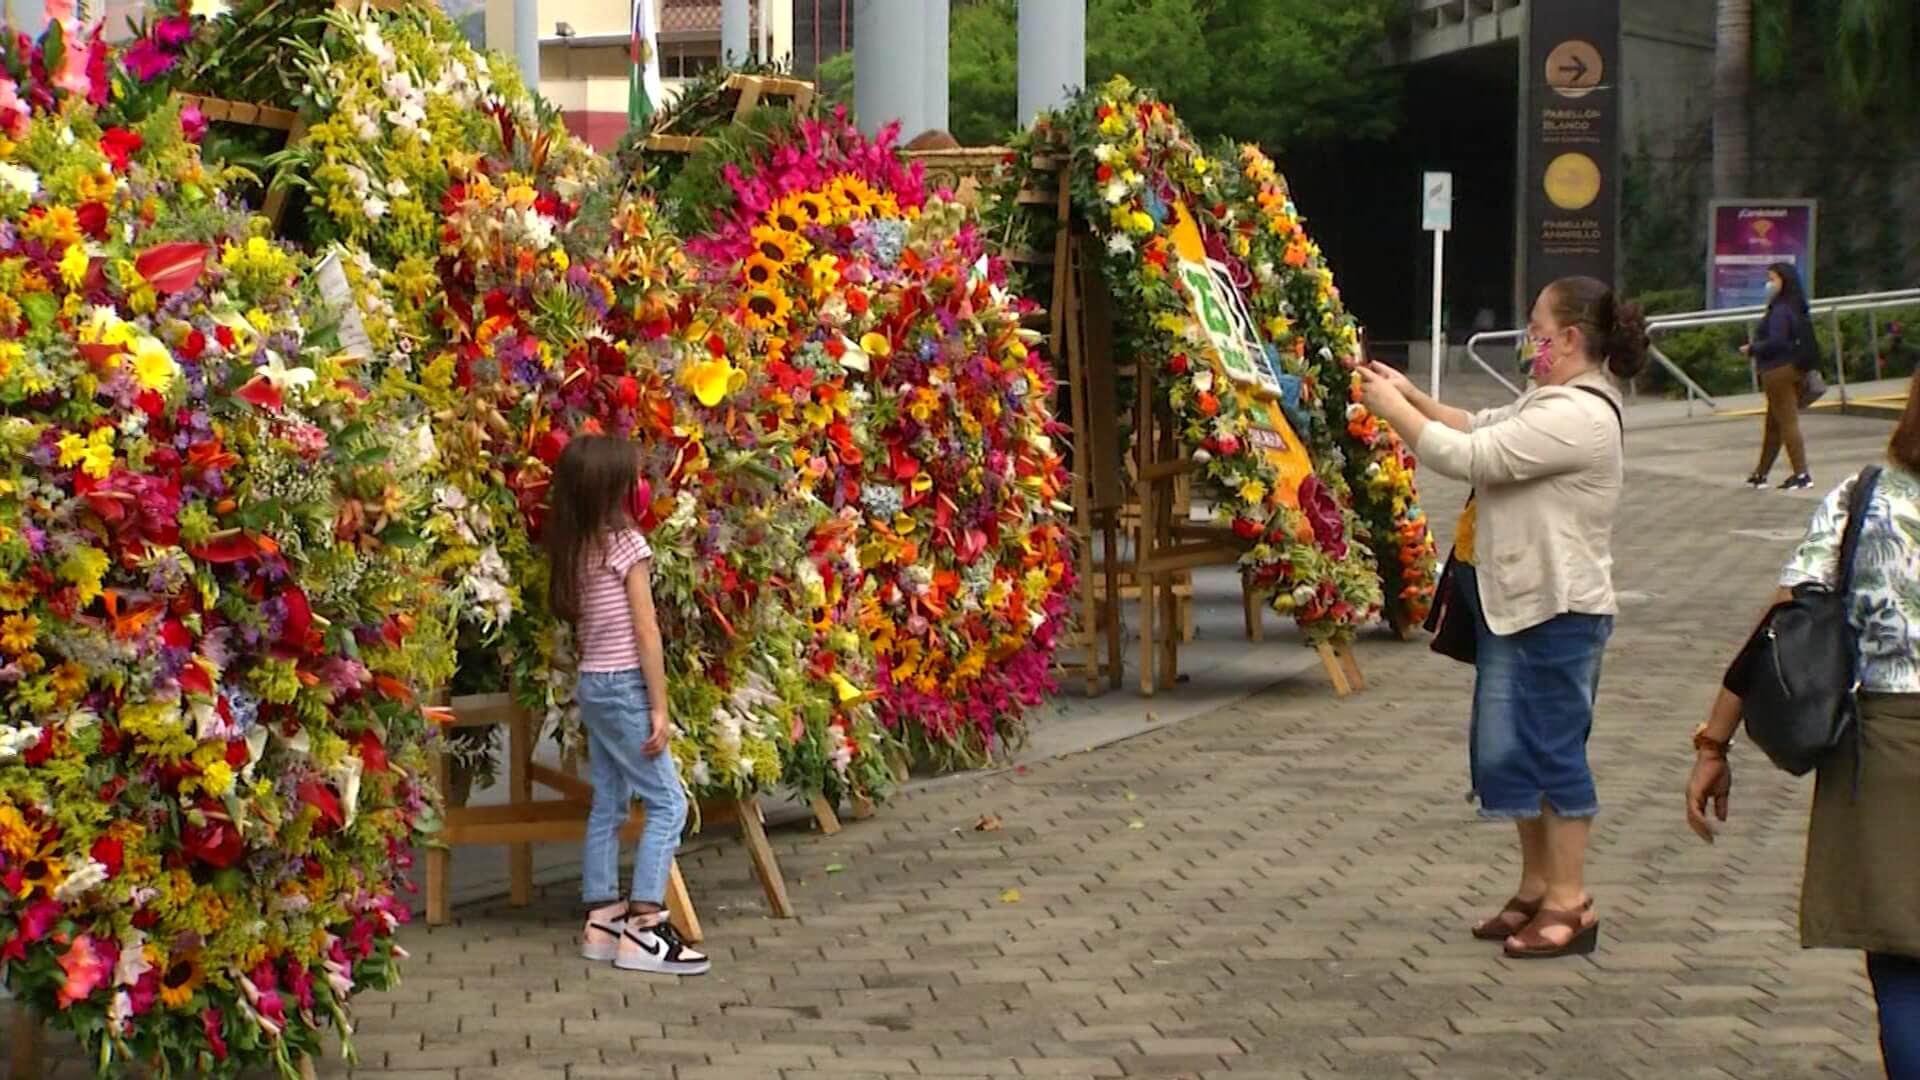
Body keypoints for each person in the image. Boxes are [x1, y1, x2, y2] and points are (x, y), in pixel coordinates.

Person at [1357, 276, 1648, 959]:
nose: (1528, 339)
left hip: (1557, 609)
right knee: (1507, 755)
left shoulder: (1579, 413)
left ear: (1569, 339)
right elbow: (1480, 425)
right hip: (1515, 606)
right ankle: (1535, 888)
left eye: (1536, 326)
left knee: (1553, 753)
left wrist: (1389, 411)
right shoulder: (1548, 401)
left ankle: (1571, 904)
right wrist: (1409, 394)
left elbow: (1471, 456)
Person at [1687, 371, 1920, 1078]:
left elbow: (1783, 622)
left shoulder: (1865, 496)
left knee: (1902, 954)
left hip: (1884, 747)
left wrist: (1714, 741)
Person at [545, 434, 710, 976]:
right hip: (623, 685)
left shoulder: (578, 544)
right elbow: (647, 630)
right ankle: (645, 923)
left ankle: (602, 917)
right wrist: (659, 707)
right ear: (613, 488)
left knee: (611, 801)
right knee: (668, 804)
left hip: (593, 684)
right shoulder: (627, 545)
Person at [1742, 262, 1817, 491]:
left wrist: (1752, 349)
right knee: (1774, 425)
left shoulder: (1780, 310)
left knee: (1787, 423)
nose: (1769, 284)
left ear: (1783, 281)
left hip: (1777, 371)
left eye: (1772, 279)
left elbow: (1777, 341)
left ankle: (1802, 474)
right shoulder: (1795, 306)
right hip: (1793, 367)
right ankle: (1761, 474)